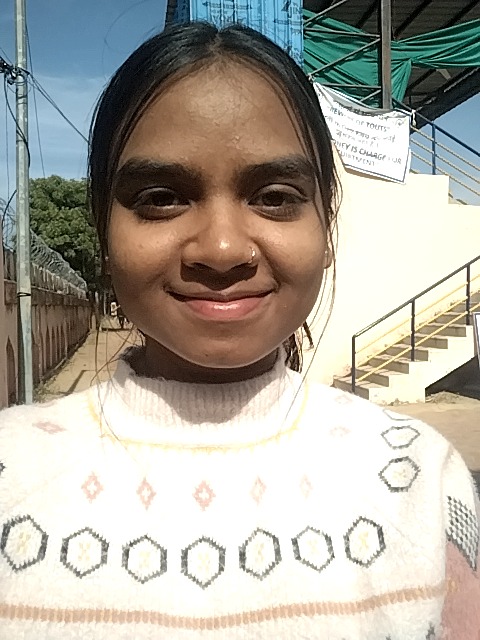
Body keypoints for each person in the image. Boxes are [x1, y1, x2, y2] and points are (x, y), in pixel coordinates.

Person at [0, 21, 478, 640]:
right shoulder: (13, 469)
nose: (223, 250)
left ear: (327, 224)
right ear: (104, 231)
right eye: (162, 197)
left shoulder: (420, 477)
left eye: (274, 196)